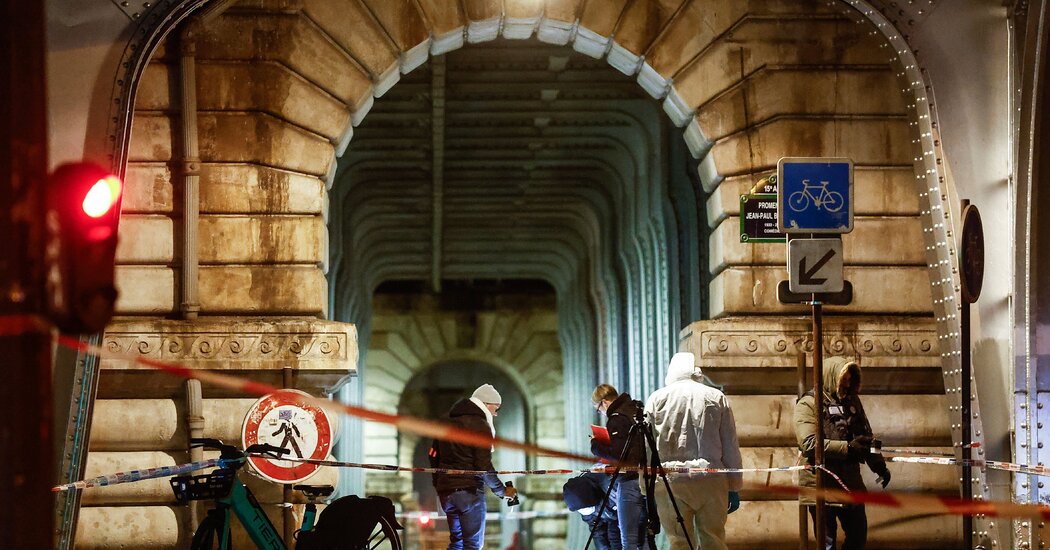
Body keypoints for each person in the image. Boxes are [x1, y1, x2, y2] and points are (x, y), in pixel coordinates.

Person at [644, 352, 743, 550]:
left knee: (679, 542)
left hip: (670, 481)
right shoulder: (716, 397)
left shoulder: (656, 399)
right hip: (711, 478)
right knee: (713, 539)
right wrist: (734, 484)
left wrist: (646, 488)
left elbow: (647, 447)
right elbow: (730, 443)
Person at [794, 356, 891, 550]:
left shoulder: (852, 401)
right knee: (827, 543)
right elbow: (808, 443)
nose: (847, 385)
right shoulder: (809, 403)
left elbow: (867, 436)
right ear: (831, 378)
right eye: (843, 380)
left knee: (858, 537)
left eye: (849, 380)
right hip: (821, 485)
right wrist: (847, 448)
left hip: (850, 483)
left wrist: (879, 465)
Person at [432, 384, 518, 550]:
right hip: (469, 493)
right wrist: (502, 491)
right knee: (473, 545)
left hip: (446, 494)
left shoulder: (444, 422)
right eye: (496, 407)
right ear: (486, 404)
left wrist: (440, 485)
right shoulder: (480, 425)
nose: (496, 413)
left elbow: (433, 456)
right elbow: (483, 466)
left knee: (456, 543)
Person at [590, 384, 648, 549]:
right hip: (647, 478)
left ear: (605, 402)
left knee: (628, 537)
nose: (601, 413)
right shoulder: (634, 409)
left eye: (598, 409)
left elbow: (618, 454)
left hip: (628, 480)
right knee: (645, 535)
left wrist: (595, 445)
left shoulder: (616, 418)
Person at [562, 472, 622, 550]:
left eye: (587, 507)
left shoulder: (610, 484)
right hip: (612, 517)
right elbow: (596, 528)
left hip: (624, 515)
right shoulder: (583, 500)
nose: (585, 511)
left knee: (615, 537)